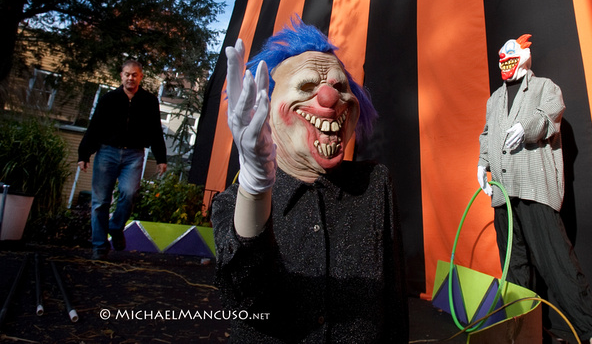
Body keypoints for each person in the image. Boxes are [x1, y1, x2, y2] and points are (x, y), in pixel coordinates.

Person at [212, 18, 408, 343]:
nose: (331, 98)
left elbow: (394, 300)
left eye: (341, 86)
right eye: (305, 87)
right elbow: (245, 297)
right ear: (267, 111)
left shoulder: (376, 185)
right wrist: (255, 188)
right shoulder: (233, 204)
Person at [476, 34, 592, 344]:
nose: (504, 62)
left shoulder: (545, 87)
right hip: (503, 194)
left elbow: (549, 116)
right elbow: (486, 134)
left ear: (522, 57)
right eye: (501, 58)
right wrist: (482, 164)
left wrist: (526, 128)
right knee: (514, 268)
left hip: (534, 188)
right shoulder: (494, 99)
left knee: (557, 264)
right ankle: (523, 334)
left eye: (510, 56)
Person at [78, 59, 167, 260]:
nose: (130, 78)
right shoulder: (109, 99)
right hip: (107, 152)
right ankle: (99, 246)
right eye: (127, 74)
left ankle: (116, 227)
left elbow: (155, 130)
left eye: (134, 74)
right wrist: (84, 154)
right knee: (100, 201)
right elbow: (95, 127)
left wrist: (161, 158)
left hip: (134, 154)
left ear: (141, 77)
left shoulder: (149, 101)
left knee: (129, 193)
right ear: (121, 75)